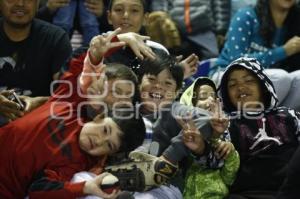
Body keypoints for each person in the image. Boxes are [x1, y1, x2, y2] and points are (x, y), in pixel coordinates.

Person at [0, 29, 146, 199]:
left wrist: (85, 188)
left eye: (109, 145)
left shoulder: (77, 165)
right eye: (105, 130)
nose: (98, 141)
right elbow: (80, 61)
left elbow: (38, 190)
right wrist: (119, 40)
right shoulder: (71, 101)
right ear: (100, 118)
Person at [217, 57, 300, 199]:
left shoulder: (289, 115)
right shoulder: (225, 123)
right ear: (226, 94)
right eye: (232, 85)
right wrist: (215, 140)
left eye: (249, 81)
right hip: (248, 194)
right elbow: (210, 162)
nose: (241, 87)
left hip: (292, 188)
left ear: (263, 86)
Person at [212, 0, 300, 111]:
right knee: (281, 77)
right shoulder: (246, 15)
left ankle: (277, 121)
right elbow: (236, 61)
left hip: (265, 81)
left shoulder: (295, 21)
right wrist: (283, 51)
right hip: (227, 76)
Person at [105, 0, 199, 80]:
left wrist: (175, 76)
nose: (126, 15)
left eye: (134, 10)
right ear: (109, 17)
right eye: (118, 10)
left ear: (145, 19)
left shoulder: (158, 50)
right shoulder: (98, 47)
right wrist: (122, 39)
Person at [179, 77, 240, 199]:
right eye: (202, 97)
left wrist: (230, 152)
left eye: (214, 96)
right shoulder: (179, 134)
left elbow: (229, 179)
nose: (211, 100)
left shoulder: (225, 133)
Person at [0, 0, 72, 96]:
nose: (20, 4)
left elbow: (66, 94)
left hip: (43, 110)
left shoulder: (55, 38)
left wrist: (38, 103)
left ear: (37, 3)